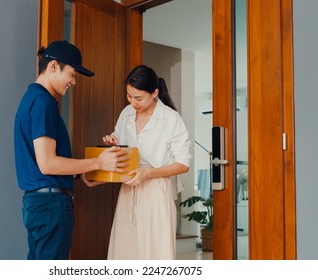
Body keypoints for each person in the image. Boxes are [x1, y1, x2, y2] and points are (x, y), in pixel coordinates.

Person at [14, 40, 129, 260]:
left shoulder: (31, 99)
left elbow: (42, 163)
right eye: (73, 74)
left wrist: (80, 173)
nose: (74, 82)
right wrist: (98, 163)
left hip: (37, 204)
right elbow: (48, 163)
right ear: (54, 66)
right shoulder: (43, 102)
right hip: (50, 206)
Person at [102, 65, 191, 259]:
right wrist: (113, 140)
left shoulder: (170, 118)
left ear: (155, 93)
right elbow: (120, 137)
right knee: (125, 250)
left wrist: (148, 173)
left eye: (138, 98)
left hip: (156, 187)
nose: (133, 102)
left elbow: (183, 164)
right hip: (128, 186)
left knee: (154, 252)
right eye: (129, 96)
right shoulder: (126, 113)